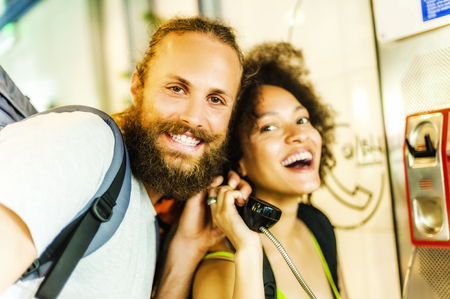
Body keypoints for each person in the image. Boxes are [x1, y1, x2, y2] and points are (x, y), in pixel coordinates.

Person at [0, 16, 251, 299]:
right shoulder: (87, 141)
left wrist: (189, 246)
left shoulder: (143, 221)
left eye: (216, 100)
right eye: (176, 88)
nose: (194, 117)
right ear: (137, 87)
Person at [192, 42, 348, 299]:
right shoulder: (219, 271)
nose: (298, 135)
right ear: (236, 156)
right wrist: (249, 249)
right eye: (269, 127)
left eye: (302, 120)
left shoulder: (318, 226)